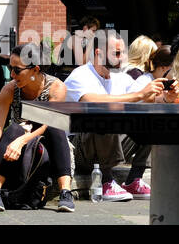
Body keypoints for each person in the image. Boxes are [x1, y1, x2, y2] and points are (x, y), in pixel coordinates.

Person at [63, 29, 165, 201]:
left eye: (123, 52)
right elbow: (92, 101)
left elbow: (143, 100)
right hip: (79, 149)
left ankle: (134, 179)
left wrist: (166, 98)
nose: (123, 57)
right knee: (104, 116)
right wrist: (139, 95)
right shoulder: (80, 75)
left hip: (108, 145)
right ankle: (106, 181)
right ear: (99, 53)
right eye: (117, 53)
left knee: (151, 118)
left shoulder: (120, 77)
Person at [0, 42, 75, 212]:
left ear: (35, 69)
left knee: (56, 126)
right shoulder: (10, 90)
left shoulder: (56, 88)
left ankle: (66, 191)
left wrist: (22, 140)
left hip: (49, 147)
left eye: (17, 70)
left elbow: (47, 124)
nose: (12, 74)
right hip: (18, 151)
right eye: (10, 68)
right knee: (14, 128)